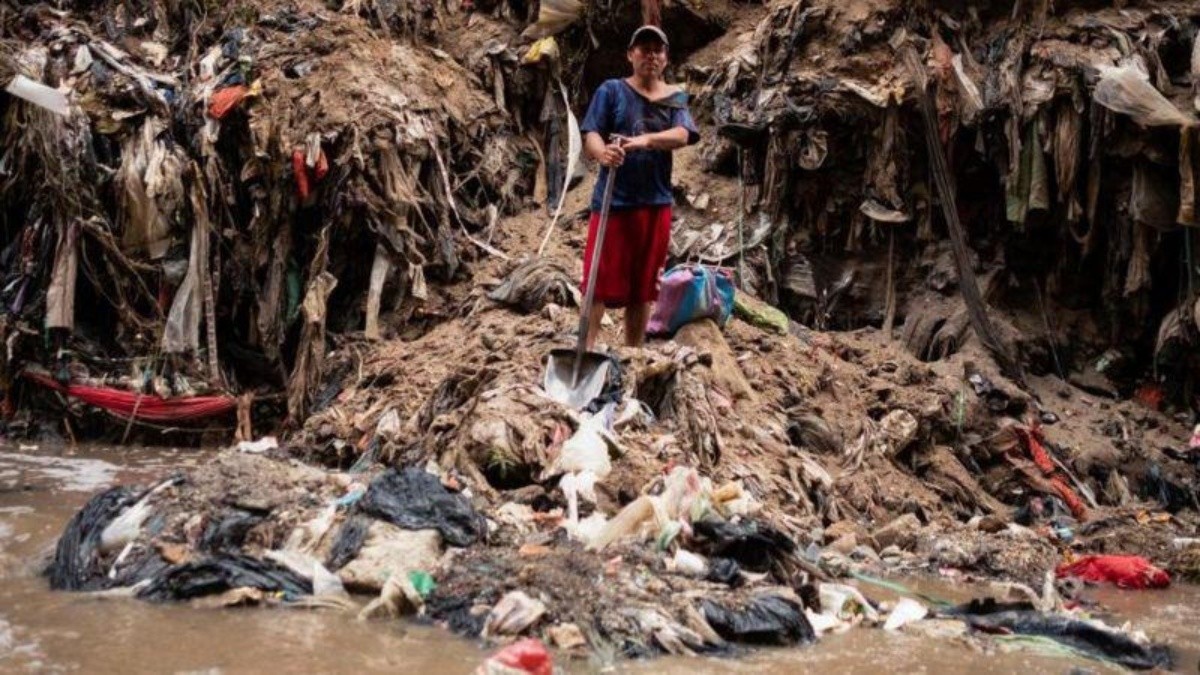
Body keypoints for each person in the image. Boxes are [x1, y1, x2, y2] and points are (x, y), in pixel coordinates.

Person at [578, 24, 700, 349]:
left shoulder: (675, 98)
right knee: (597, 282)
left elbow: (683, 135)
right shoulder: (612, 90)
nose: (651, 56)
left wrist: (645, 140)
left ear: (665, 58)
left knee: (644, 287)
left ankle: (635, 353)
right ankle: (585, 350)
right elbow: (591, 131)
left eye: (657, 50)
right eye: (643, 49)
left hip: (655, 203)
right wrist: (602, 153)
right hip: (613, 202)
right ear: (630, 55)